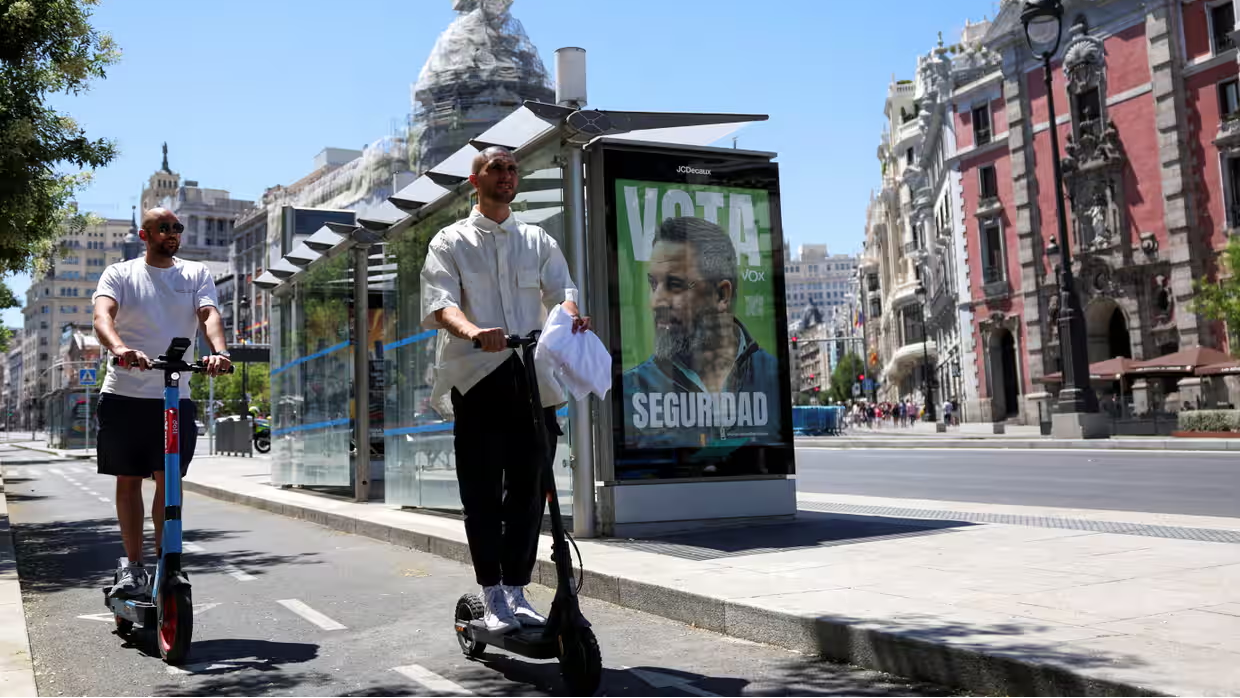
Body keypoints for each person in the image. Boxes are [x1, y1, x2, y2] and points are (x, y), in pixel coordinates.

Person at [420, 146, 589, 635]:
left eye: (513, 168)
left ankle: (517, 589)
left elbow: (563, 293)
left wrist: (573, 316)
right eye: (497, 168)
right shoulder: (449, 241)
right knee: (482, 491)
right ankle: (491, 594)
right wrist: (473, 330)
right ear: (475, 181)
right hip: (477, 376)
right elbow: (440, 304)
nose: (507, 175)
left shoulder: (536, 240)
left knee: (531, 489)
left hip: (533, 377)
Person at [92, 208, 231, 599]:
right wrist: (120, 349)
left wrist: (219, 352)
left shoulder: (195, 274)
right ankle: (133, 566)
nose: (173, 234)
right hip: (124, 393)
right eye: (164, 228)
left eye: (177, 228)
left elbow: (209, 315)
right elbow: (103, 315)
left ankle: (166, 561)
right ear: (145, 234)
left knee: (169, 481)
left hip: (174, 396)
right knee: (129, 479)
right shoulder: (120, 274)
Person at [621, 216, 781, 452]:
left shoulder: (773, 378)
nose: (656, 302)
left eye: (675, 285)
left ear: (721, 295)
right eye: (653, 285)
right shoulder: (631, 390)